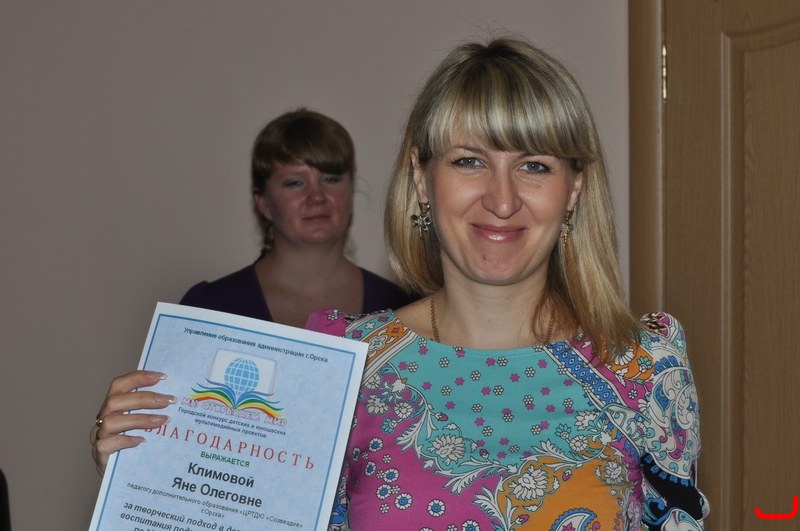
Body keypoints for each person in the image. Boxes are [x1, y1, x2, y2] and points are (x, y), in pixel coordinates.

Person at [92, 38, 708, 529]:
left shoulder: (643, 367)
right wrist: (147, 471)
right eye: (469, 161)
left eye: (534, 165)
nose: (501, 199)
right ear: (421, 176)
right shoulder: (345, 366)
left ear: (573, 189)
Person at [179, 108, 414, 327]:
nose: (317, 196)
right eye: (294, 183)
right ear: (263, 203)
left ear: (351, 191)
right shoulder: (209, 308)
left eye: (331, 179)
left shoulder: (403, 308)